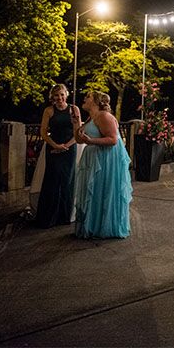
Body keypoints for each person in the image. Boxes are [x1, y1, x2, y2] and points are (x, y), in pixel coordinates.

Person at [71, 91, 133, 239]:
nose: (84, 99)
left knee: (102, 192)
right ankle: (93, 225)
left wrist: (91, 141)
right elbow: (79, 140)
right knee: (94, 193)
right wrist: (75, 125)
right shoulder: (89, 118)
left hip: (105, 159)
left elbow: (113, 140)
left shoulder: (104, 116)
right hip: (93, 158)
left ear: (96, 101)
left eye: (88, 97)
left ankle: (104, 227)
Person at [34, 84, 80, 228]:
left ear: (66, 94)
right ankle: (48, 218)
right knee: (52, 182)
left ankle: (64, 217)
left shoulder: (74, 109)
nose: (59, 98)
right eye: (56, 95)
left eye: (62, 94)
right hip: (53, 149)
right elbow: (42, 132)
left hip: (69, 149)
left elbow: (77, 132)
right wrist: (55, 145)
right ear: (52, 97)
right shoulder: (48, 110)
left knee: (67, 182)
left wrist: (66, 146)